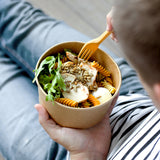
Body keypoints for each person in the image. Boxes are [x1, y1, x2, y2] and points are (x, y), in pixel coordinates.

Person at [0, 0, 159, 159]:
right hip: (136, 96)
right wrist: (138, 9)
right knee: (17, 17)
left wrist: (86, 153)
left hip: (74, 149)